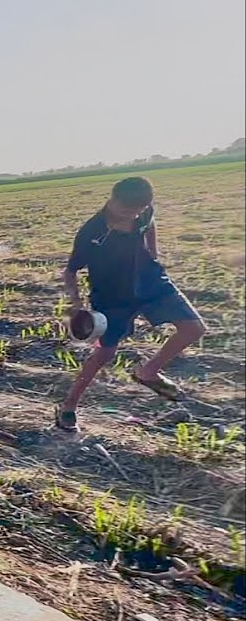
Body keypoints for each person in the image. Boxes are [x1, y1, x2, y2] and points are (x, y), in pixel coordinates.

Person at [56, 177, 206, 432]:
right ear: (113, 199)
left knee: (194, 328)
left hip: (151, 282)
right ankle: (68, 406)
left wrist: (153, 253)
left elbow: (149, 223)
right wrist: (77, 303)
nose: (132, 215)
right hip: (112, 298)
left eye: (137, 210)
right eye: (126, 210)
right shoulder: (91, 232)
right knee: (104, 354)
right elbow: (70, 272)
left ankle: (148, 372)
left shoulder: (144, 212)